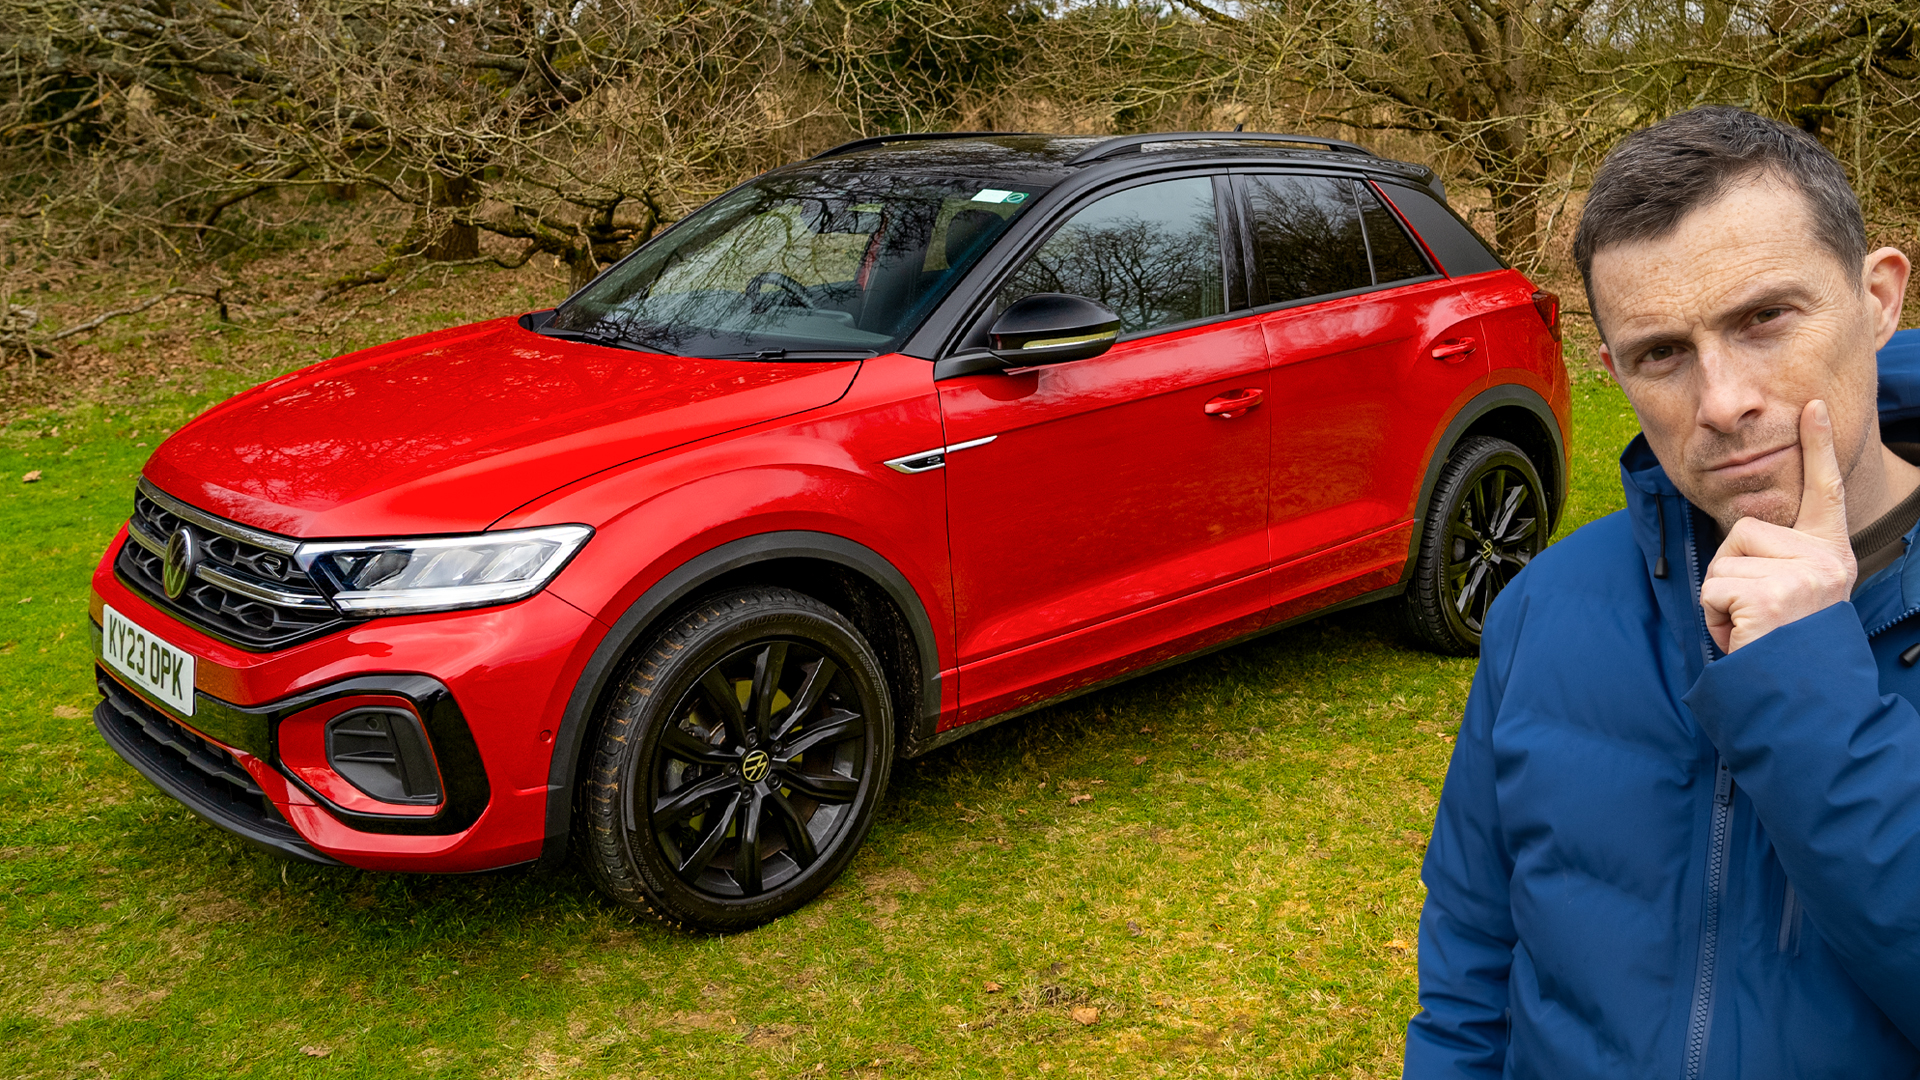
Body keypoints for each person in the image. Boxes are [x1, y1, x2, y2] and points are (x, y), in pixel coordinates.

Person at [1404, 105, 1920, 1076]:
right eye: (1662, 354)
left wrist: (1811, 695)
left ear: (1879, 297)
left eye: (1764, 319)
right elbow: (1469, 979)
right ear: (1614, 371)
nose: (1721, 403)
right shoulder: (1543, 609)